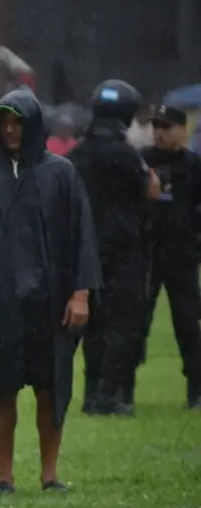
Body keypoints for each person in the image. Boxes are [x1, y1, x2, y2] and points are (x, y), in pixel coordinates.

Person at [0, 89, 101, 494]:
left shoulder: (61, 174)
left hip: (50, 301)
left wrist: (80, 293)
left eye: (18, 123)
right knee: (1, 388)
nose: (10, 130)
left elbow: (82, 236)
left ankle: (49, 474)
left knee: (50, 388)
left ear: (33, 125)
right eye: (3, 124)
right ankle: (4, 475)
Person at [70, 80, 159, 416]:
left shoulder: (76, 155)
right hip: (124, 252)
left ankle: (93, 392)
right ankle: (111, 394)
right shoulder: (127, 156)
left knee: (93, 325)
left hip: (87, 252)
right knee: (124, 324)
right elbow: (149, 194)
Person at [140, 105, 201, 409]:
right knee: (137, 321)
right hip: (148, 252)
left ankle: (196, 389)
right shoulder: (143, 161)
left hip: (183, 255)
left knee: (189, 323)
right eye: (156, 127)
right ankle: (121, 387)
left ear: (182, 129)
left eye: (166, 127)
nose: (160, 133)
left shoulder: (193, 165)